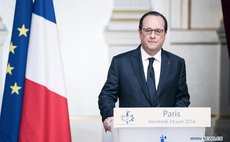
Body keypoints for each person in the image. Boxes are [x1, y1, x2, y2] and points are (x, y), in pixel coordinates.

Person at [98, 11, 190, 132]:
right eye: (148, 30)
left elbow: (182, 98)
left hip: (166, 133)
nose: (153, 35)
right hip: (130, 132)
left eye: (158, 31)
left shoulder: (177, 63)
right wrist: (110, 116)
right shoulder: (120, 62)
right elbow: (107, 95)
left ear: (165, 34)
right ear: (140, 32)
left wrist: (175, 121)